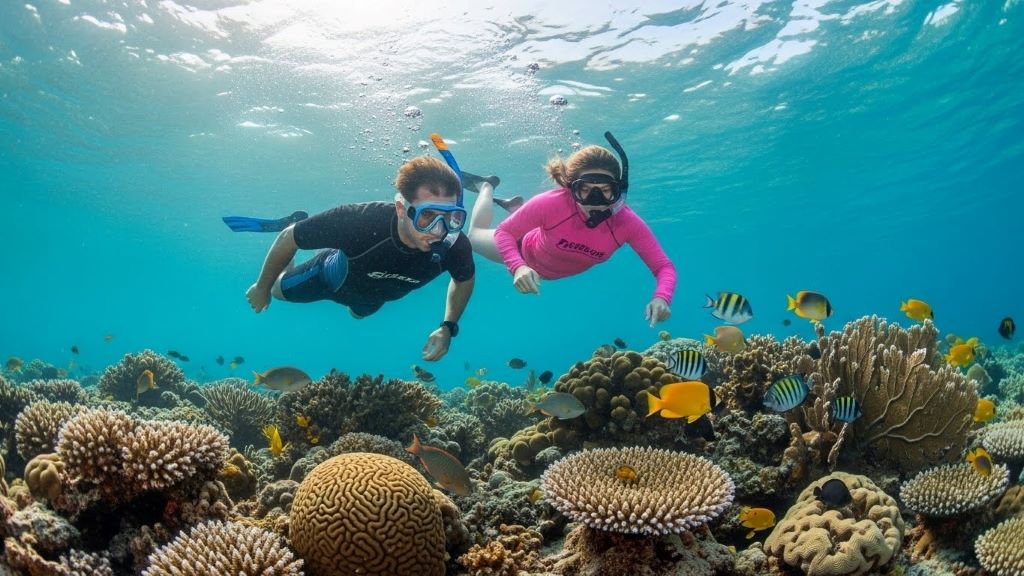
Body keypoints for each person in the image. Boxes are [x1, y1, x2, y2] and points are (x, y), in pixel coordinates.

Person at [244, 156, 475, 361]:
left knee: (357, 316)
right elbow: (289, 237)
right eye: (427, 216)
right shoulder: (361, 220)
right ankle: (292, 256)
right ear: (401, 209)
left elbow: (464, 279)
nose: (438, 230)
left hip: (371, 300)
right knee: (276, 291)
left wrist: (447, 327)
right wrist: (261, 287)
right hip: (328, 279)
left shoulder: (454, 244)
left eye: (450, 217)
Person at [464, 132, 675, 327]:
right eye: (585, 190)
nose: (596, 201)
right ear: (570, 188)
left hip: (544, 244)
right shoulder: (550, 203)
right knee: (472, 237)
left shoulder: (627, 223)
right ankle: (486, 186)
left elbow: (664, 267)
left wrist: (662, 297)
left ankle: (517, 210)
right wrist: (518, 266)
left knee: (534, 220)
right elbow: (504, 233)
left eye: (605, 191)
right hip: (522, 250)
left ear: (618, 190)